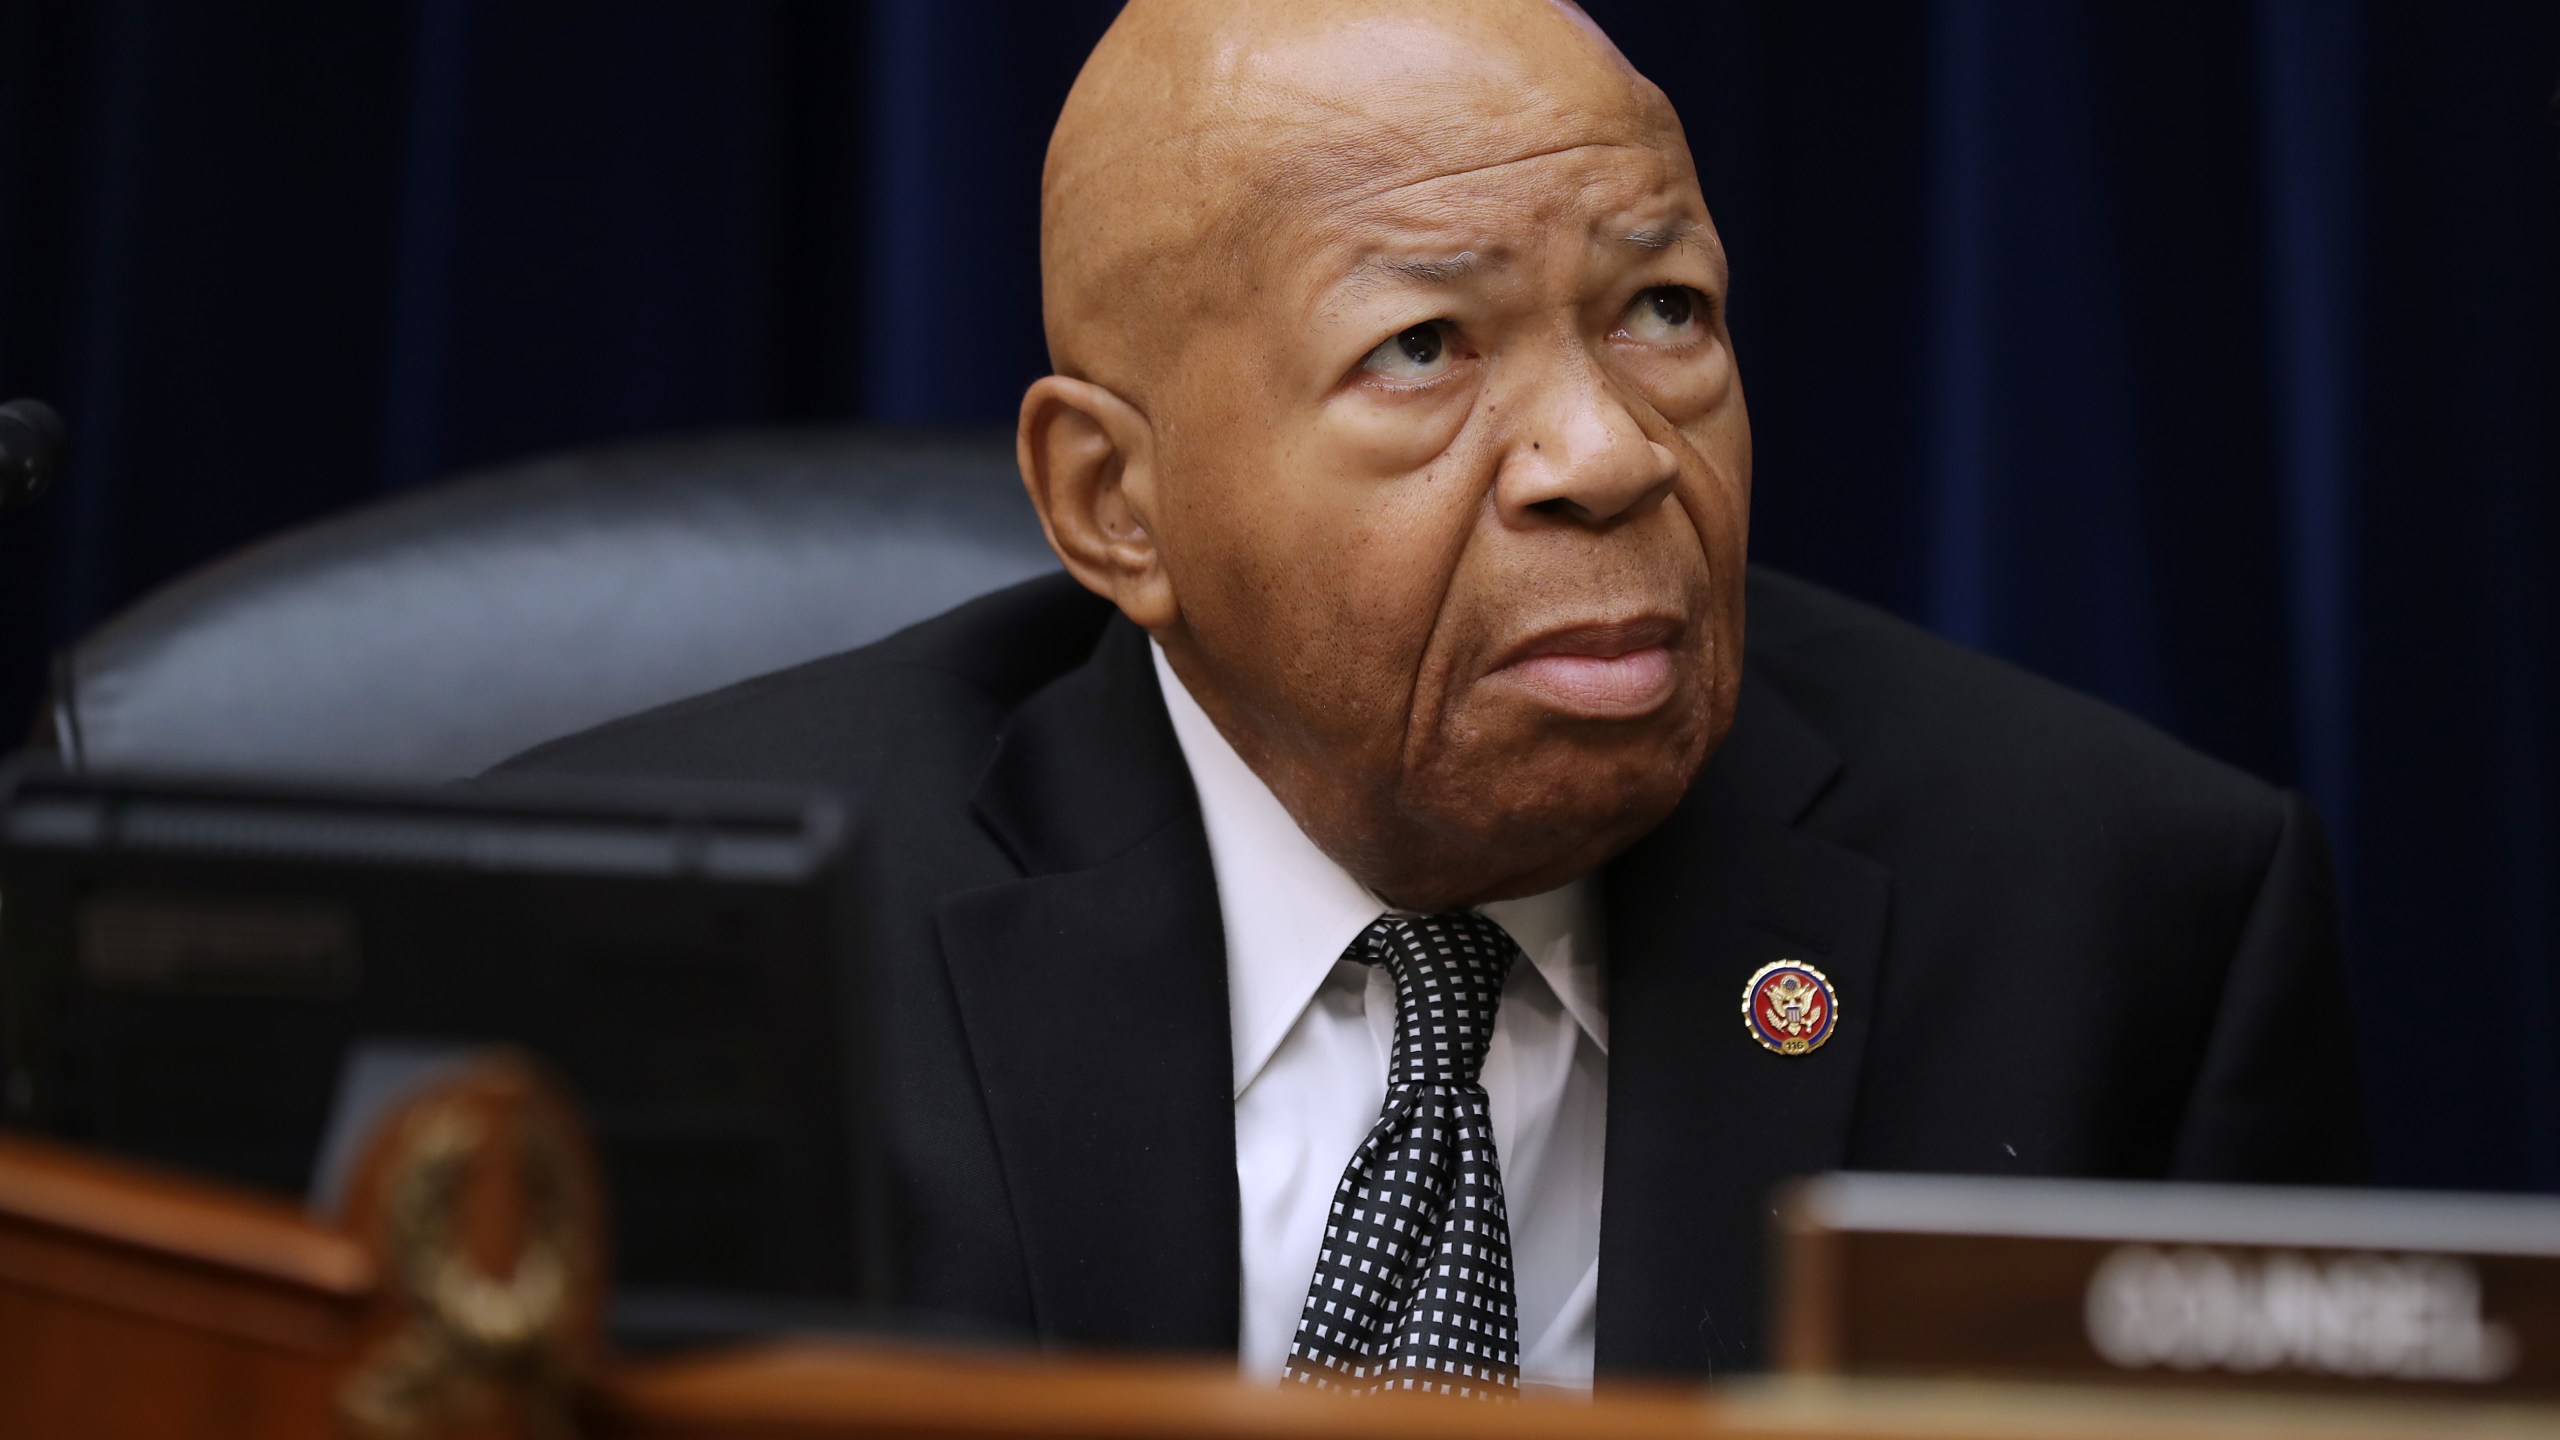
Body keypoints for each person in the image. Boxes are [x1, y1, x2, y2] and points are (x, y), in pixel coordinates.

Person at [499, 0, 2359, 1394]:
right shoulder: (662, 940)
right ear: (1112, 504)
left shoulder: (2121, 918)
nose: (1603, 455)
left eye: (1664, 313)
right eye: (1423, 346)